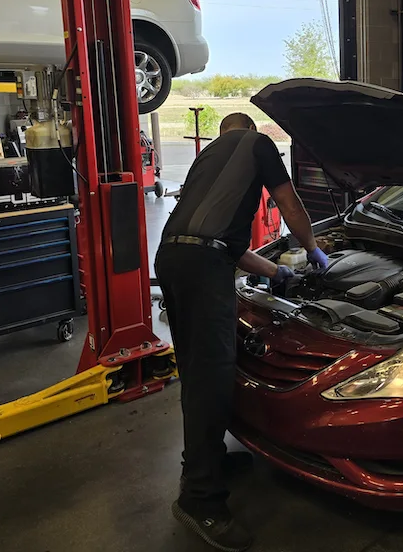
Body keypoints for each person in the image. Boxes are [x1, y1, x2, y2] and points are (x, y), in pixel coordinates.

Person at [156, 112, 327, 552]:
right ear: (248, 129)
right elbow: (291, 206)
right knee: (212, 378)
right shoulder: (257, 144)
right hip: (201, 266)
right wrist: (312, 249)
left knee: (197, 373)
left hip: (173, 260)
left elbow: (225, 245)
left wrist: (278, 274)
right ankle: (200, 500)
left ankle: (204, 462)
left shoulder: (206, 156)